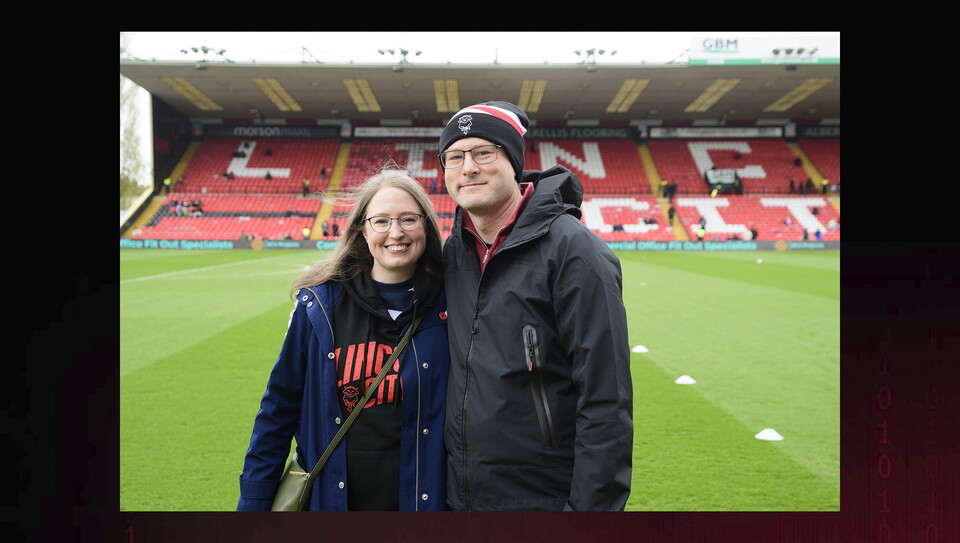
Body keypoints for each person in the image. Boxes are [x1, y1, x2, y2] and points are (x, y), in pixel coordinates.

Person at [437, 101, 632, 511]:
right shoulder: (452, 252)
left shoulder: (574, 251)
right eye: (454, 157)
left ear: (513, 162)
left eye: (483, 152)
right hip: (461, 498)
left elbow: (605, 402)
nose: (468, 167)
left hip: (542, 499)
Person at [237, 168, 450, 511]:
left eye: (408, 219)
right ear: (362, 230)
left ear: (426, 225)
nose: (396, 232)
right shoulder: (320, 307)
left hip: (424, 505)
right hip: (332, 504)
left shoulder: (452, 304)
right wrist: (253, 504)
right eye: (381, 221)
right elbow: (278, 411)